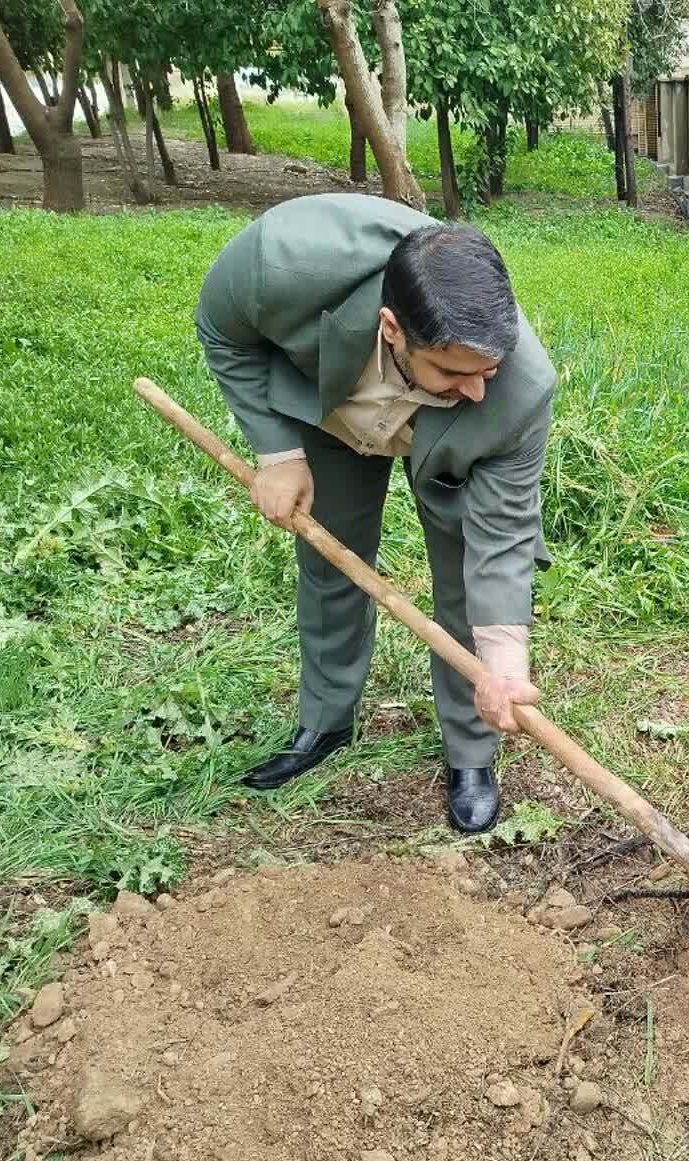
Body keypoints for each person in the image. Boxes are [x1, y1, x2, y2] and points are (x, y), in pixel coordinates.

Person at [196, 192, 551, 833]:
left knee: (466, 588)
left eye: (488, 370)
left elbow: (501, 537)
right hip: (334, 406)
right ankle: (324, 723)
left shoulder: (515, 392)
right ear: (392, 328)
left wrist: (503, 660)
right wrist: (277, 454)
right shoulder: (280, 264)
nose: (476, 390)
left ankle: (470, 756)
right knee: (332, 558)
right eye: (453, 370)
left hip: (445, 445)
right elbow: (224, 334)